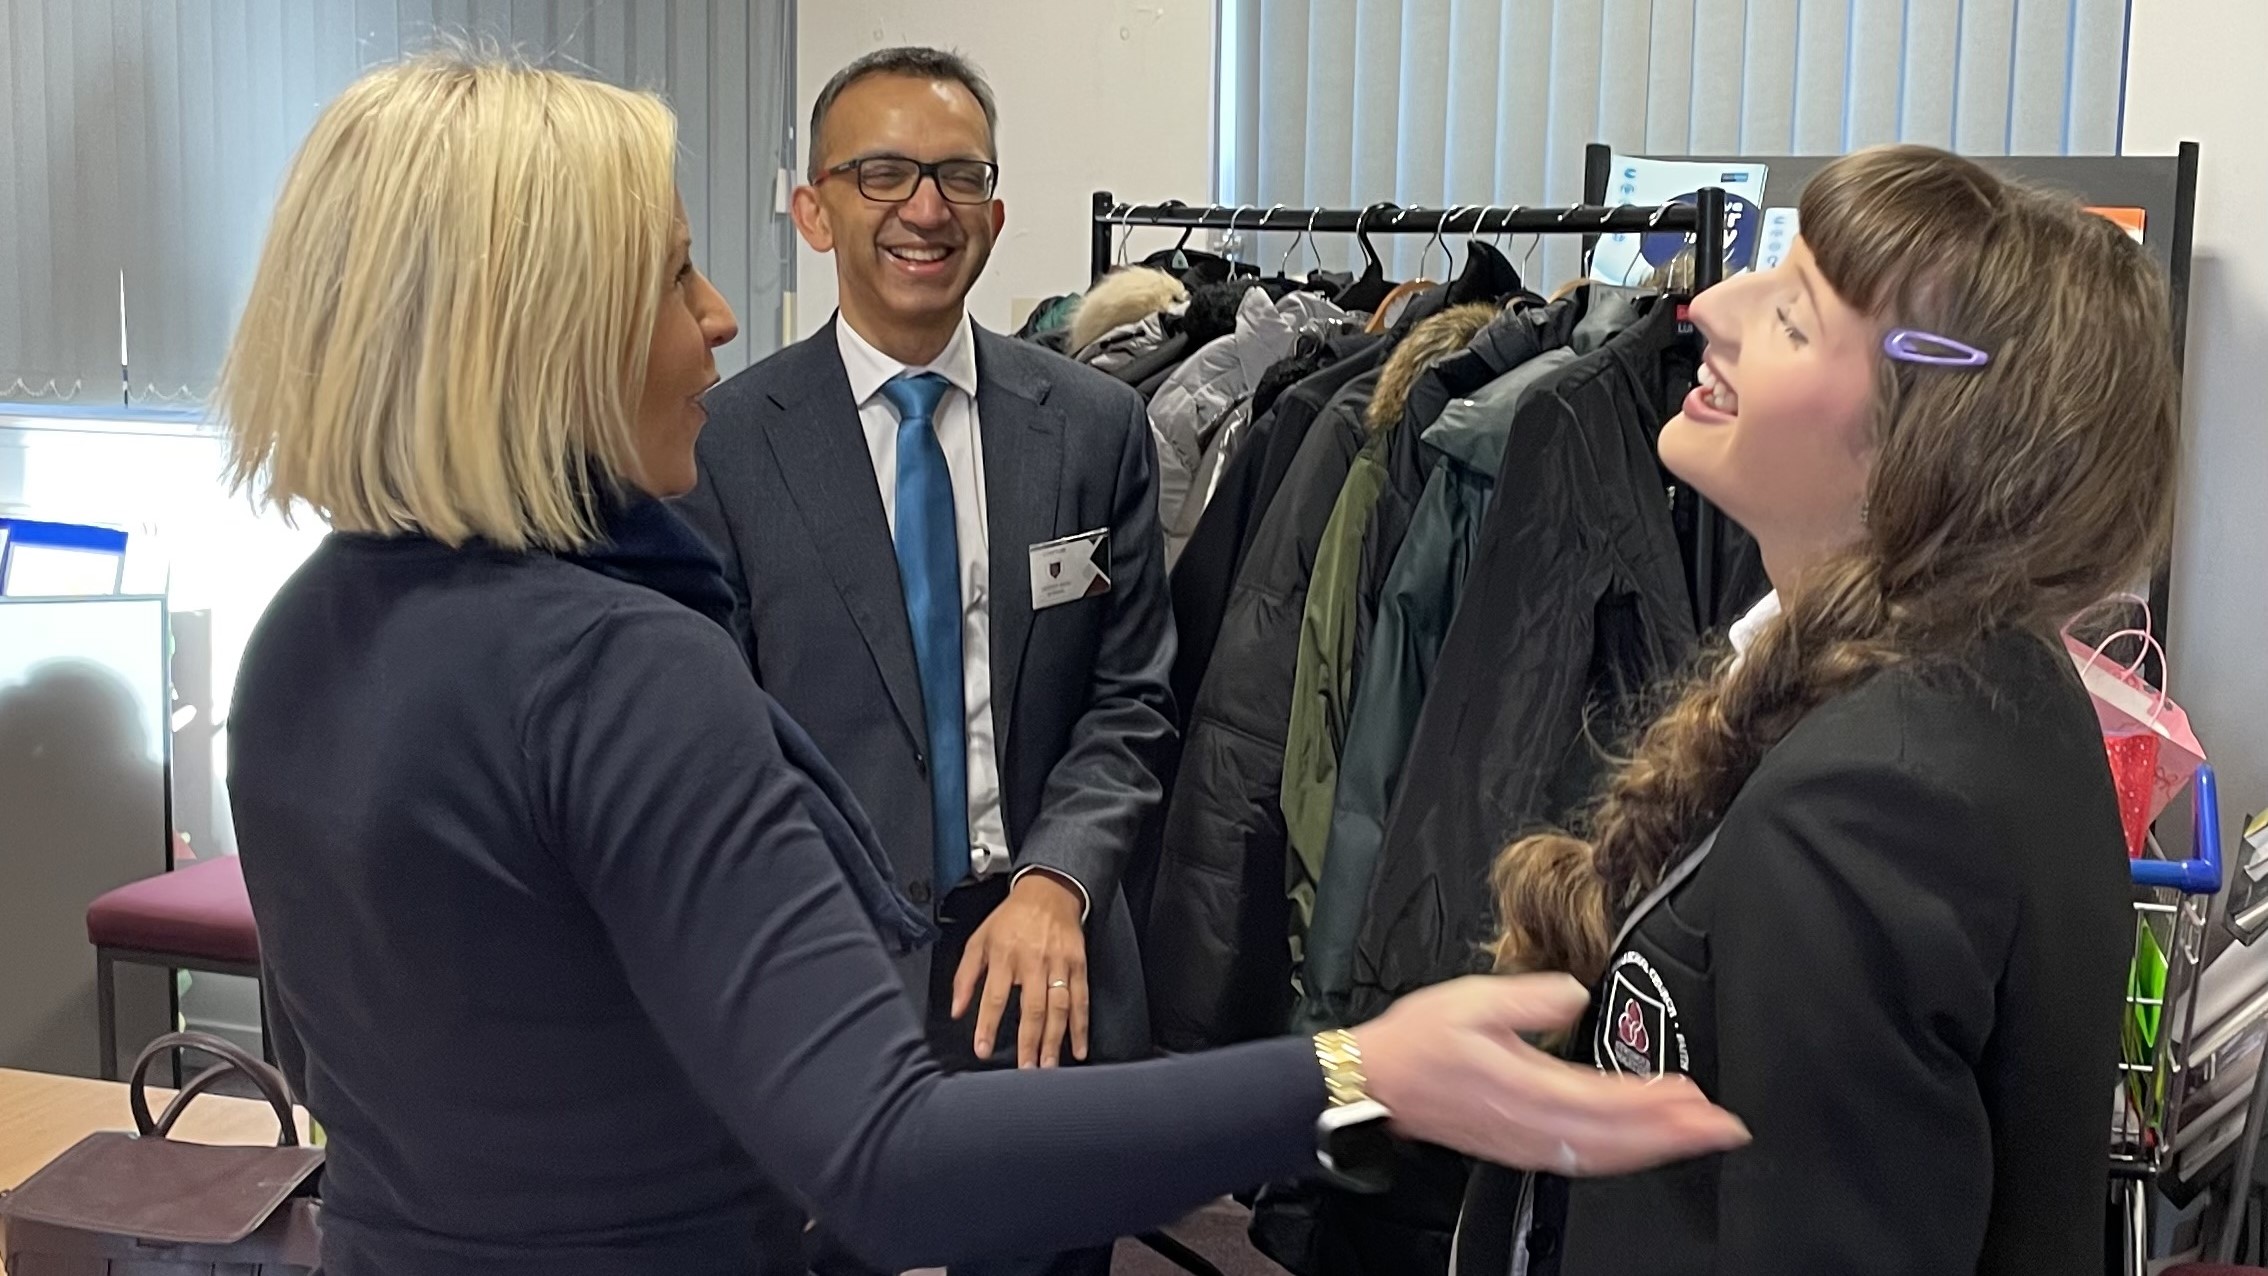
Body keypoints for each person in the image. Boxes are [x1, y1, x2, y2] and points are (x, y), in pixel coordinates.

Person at [215, 53, 1747, 1276]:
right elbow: (889, 1161)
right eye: (675, 279)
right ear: (537, 335)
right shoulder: (620, 670)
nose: (717, 317)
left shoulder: (304, 638)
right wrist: (1363, 1068)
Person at [1459, 146, 2180, 1274]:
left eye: (1794, 317)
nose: (1708, 306)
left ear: (1930, 442)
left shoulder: (1866, 802)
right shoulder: (1998, 683)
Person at [675, 47, 1165, 1276]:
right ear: (815, 207)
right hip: (830, 986)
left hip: (1049, 969)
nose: (925, 209)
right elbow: (717, 739)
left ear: (996, 212)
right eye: (883, 172)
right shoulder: (722, 445)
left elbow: (1132, 702)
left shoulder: (1095, 427)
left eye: (957, 176)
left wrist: (1057, 881)